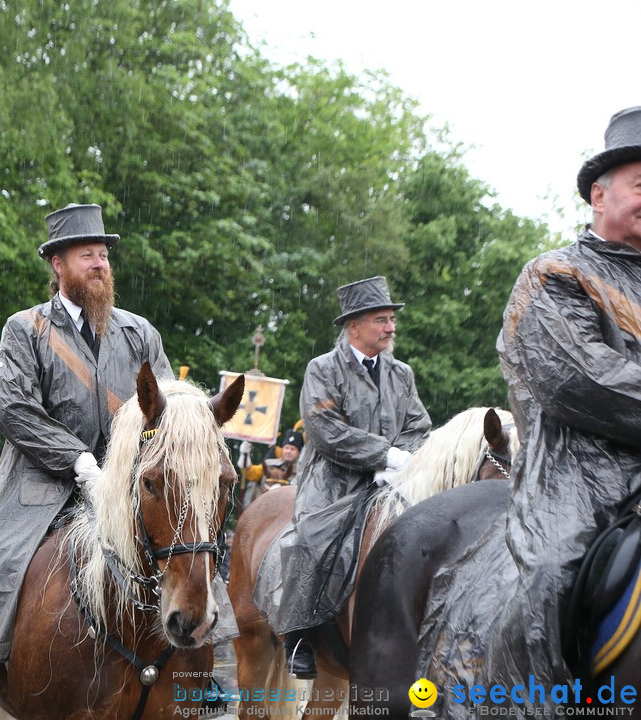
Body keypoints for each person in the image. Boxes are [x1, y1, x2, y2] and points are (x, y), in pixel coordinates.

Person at [0, 203, 182, 720]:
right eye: (88, 256)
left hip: (127, 484)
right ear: (57, 265)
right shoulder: (24, 329)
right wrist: (79, 461)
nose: (101, 265)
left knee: (190, 546)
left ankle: (195, 668)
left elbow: (166, 405)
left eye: (104, 256)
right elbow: (14, 410)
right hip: (39, 483)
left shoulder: (139, 333)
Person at [415, 106, 641, 711]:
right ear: (600, 194)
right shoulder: (554, 276)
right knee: (550, 575)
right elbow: (583, 380)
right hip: (578, 481)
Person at [253, 276, 431, 679]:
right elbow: (325, 429)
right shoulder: (323, 369)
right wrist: (383, 455)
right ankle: (298, 634)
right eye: (381, 320)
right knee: (309, 539)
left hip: (393, 482)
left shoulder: (402, 373)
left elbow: (419, 424)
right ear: (354, 327)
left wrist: (401, 460)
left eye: (391, 320)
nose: (391, 328)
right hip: (332, 485)